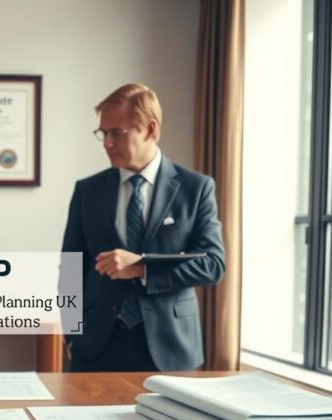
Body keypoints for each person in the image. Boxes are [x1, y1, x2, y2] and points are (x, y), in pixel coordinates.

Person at [61, 83, 225, 372]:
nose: (107, 143)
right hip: (96, 348)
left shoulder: (195, 188)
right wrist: (71, 335)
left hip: (171, 349)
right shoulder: (87, 191)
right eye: (103, 133)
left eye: (116, 133)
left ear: (150, 129)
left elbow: (213, 264)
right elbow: (70, 269)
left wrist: (142, 268)